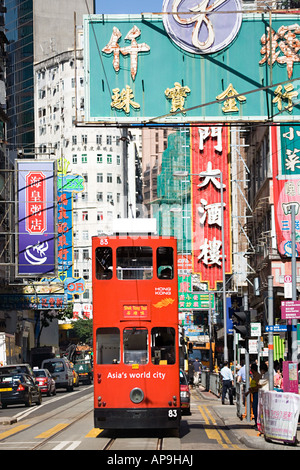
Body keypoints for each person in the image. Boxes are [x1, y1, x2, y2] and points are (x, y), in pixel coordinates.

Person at [245, 363, 261, 429]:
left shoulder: (257, 376)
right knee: (254, 409)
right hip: (254, 393)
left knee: (256, 409)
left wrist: (250, 390)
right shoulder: (254, 375)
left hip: (257, 393)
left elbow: (258, 386)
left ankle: (257, 424)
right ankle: (256, 423)